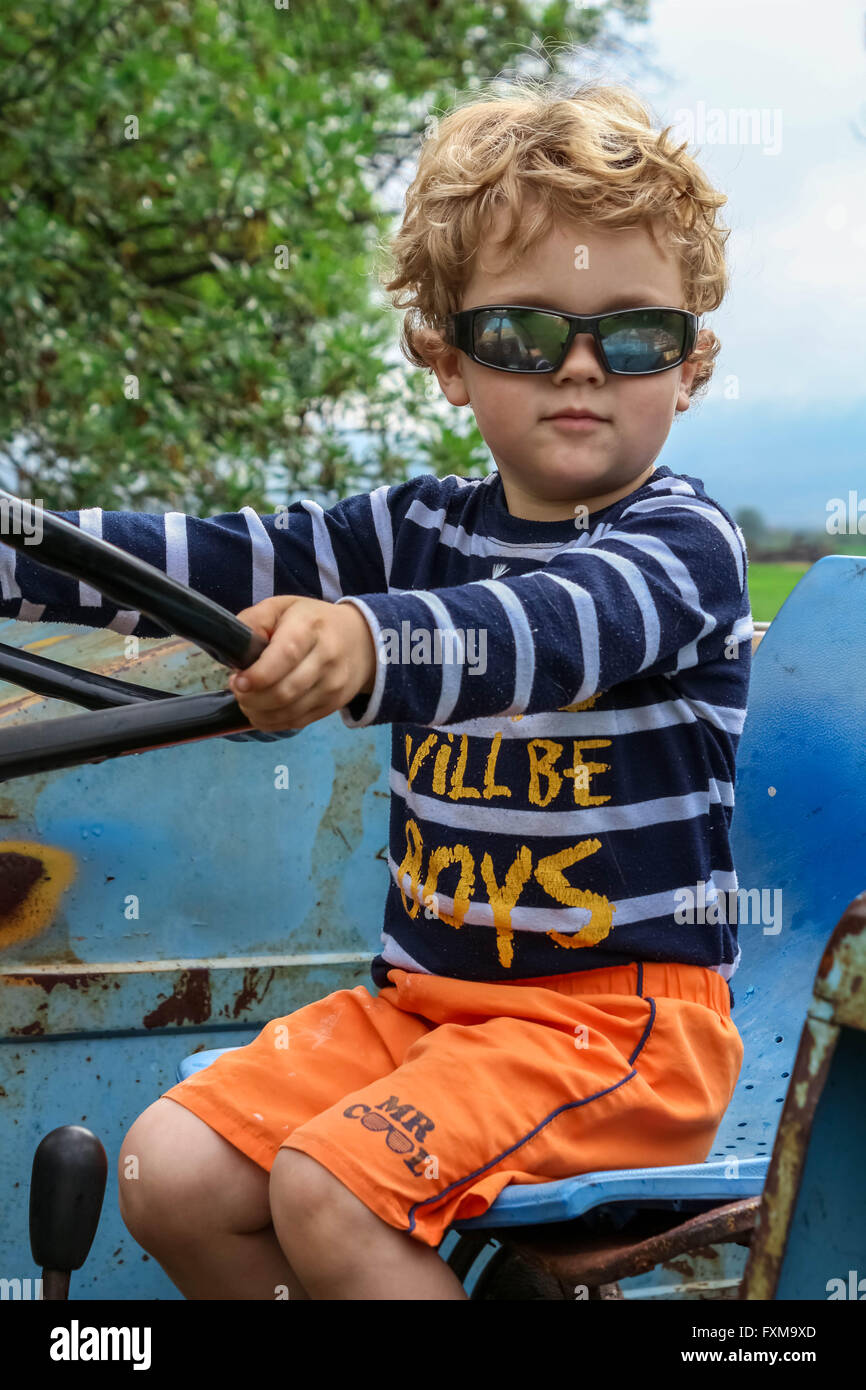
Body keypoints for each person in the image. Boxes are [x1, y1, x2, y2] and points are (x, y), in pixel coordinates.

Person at [0, 78, 751, 1300]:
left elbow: (547, 628)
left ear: (689, 364)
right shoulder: (407, 530)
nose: (578, 367)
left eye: (630, 336)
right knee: (167, 1172)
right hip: (424, 1010)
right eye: (521, 334)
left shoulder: (682, 546)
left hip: (615, 1033)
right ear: (449, 361)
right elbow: (191, 558)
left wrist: (367, 642)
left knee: (329, 1187)